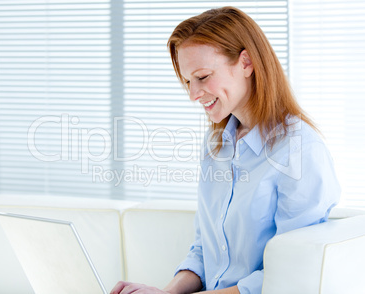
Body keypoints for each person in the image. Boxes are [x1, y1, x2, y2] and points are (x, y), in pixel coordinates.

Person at [111, 6, 340, 294]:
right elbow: (203, 250)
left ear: (246, 63)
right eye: (187, 82)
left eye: (203, 77)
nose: (193, 95)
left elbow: (291, 273)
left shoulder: (300, 151)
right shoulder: (216, 147)